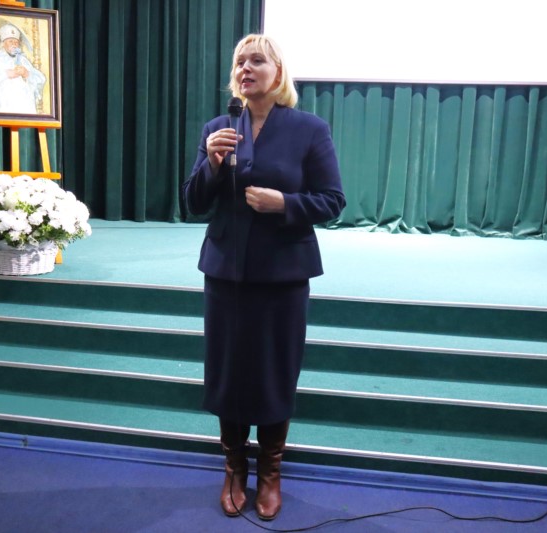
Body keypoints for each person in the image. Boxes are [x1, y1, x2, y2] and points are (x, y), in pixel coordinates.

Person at [183, 34, 345, 521]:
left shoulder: (309, 129)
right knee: (228, 370)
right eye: (240, 62)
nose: (246, 68)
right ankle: (234, 466)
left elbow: (333, 201)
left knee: (275, 370)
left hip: (283, 273)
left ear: (278, 72)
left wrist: (284, 204)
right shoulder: (218, 128)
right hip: (226, 271)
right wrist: (211, 165)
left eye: (257, 60)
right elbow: (192, 203)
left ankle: (270, 471)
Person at [0, 23, 46, 114]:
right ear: (3, 44)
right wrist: (6, 74)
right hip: (5, 106)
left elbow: (40, 79)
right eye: (10, 41)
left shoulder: (23, 60)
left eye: (16, 42)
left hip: (26, 107)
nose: (14, 44)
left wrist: (26, 73)